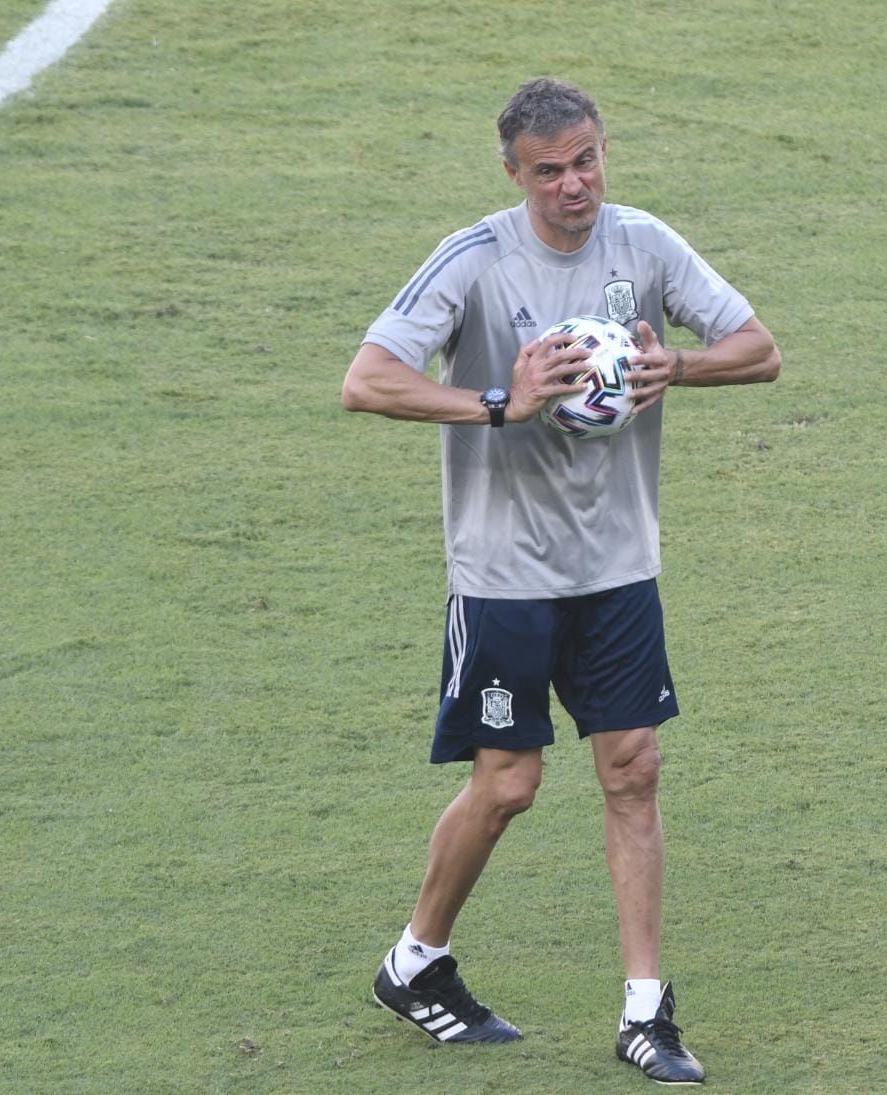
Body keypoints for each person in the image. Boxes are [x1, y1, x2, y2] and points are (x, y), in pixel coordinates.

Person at [341, 76, 780, 1085]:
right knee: (509, 784)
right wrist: (501, 399)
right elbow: (366, 380)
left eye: (586, 160)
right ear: (514, 174)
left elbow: (758, 348)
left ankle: (644, 1012)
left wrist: (681, 368)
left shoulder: (645, 244)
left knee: (633, 768)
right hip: (503, 572)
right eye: (550, 172)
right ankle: (416, 962)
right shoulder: (477, 258)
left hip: (618, 564)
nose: (574, 185)